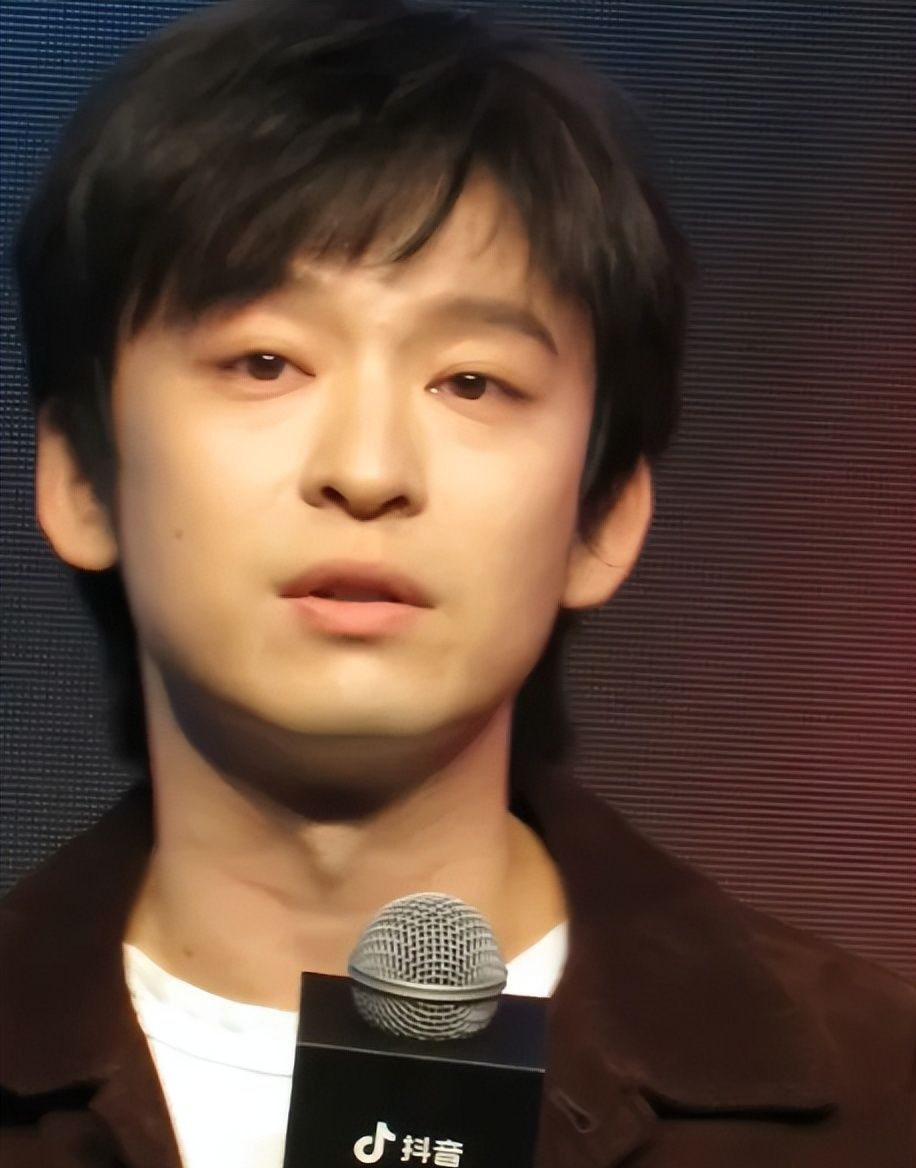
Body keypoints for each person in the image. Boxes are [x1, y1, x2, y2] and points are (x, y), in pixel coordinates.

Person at [1, 0, 913, 1165]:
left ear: (600, 514)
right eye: (265, 360)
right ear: (83, 477)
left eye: (471, 382)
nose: (367, 468)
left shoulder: (877, 1097)